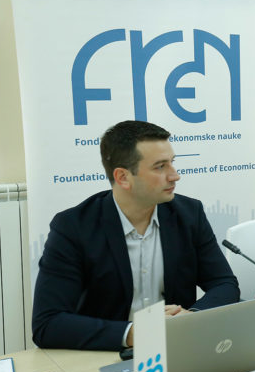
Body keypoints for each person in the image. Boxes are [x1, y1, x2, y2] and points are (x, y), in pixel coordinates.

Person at [32, 121, 240, 351]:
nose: (174, 176)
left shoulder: (190, 214)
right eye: (160, 167)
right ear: (122, 177)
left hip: (177, 349)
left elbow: (224, 283)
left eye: (172, 163)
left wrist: (192, 316)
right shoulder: (73, 227)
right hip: (108, 354)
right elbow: (47, 323)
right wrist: (133, 333)